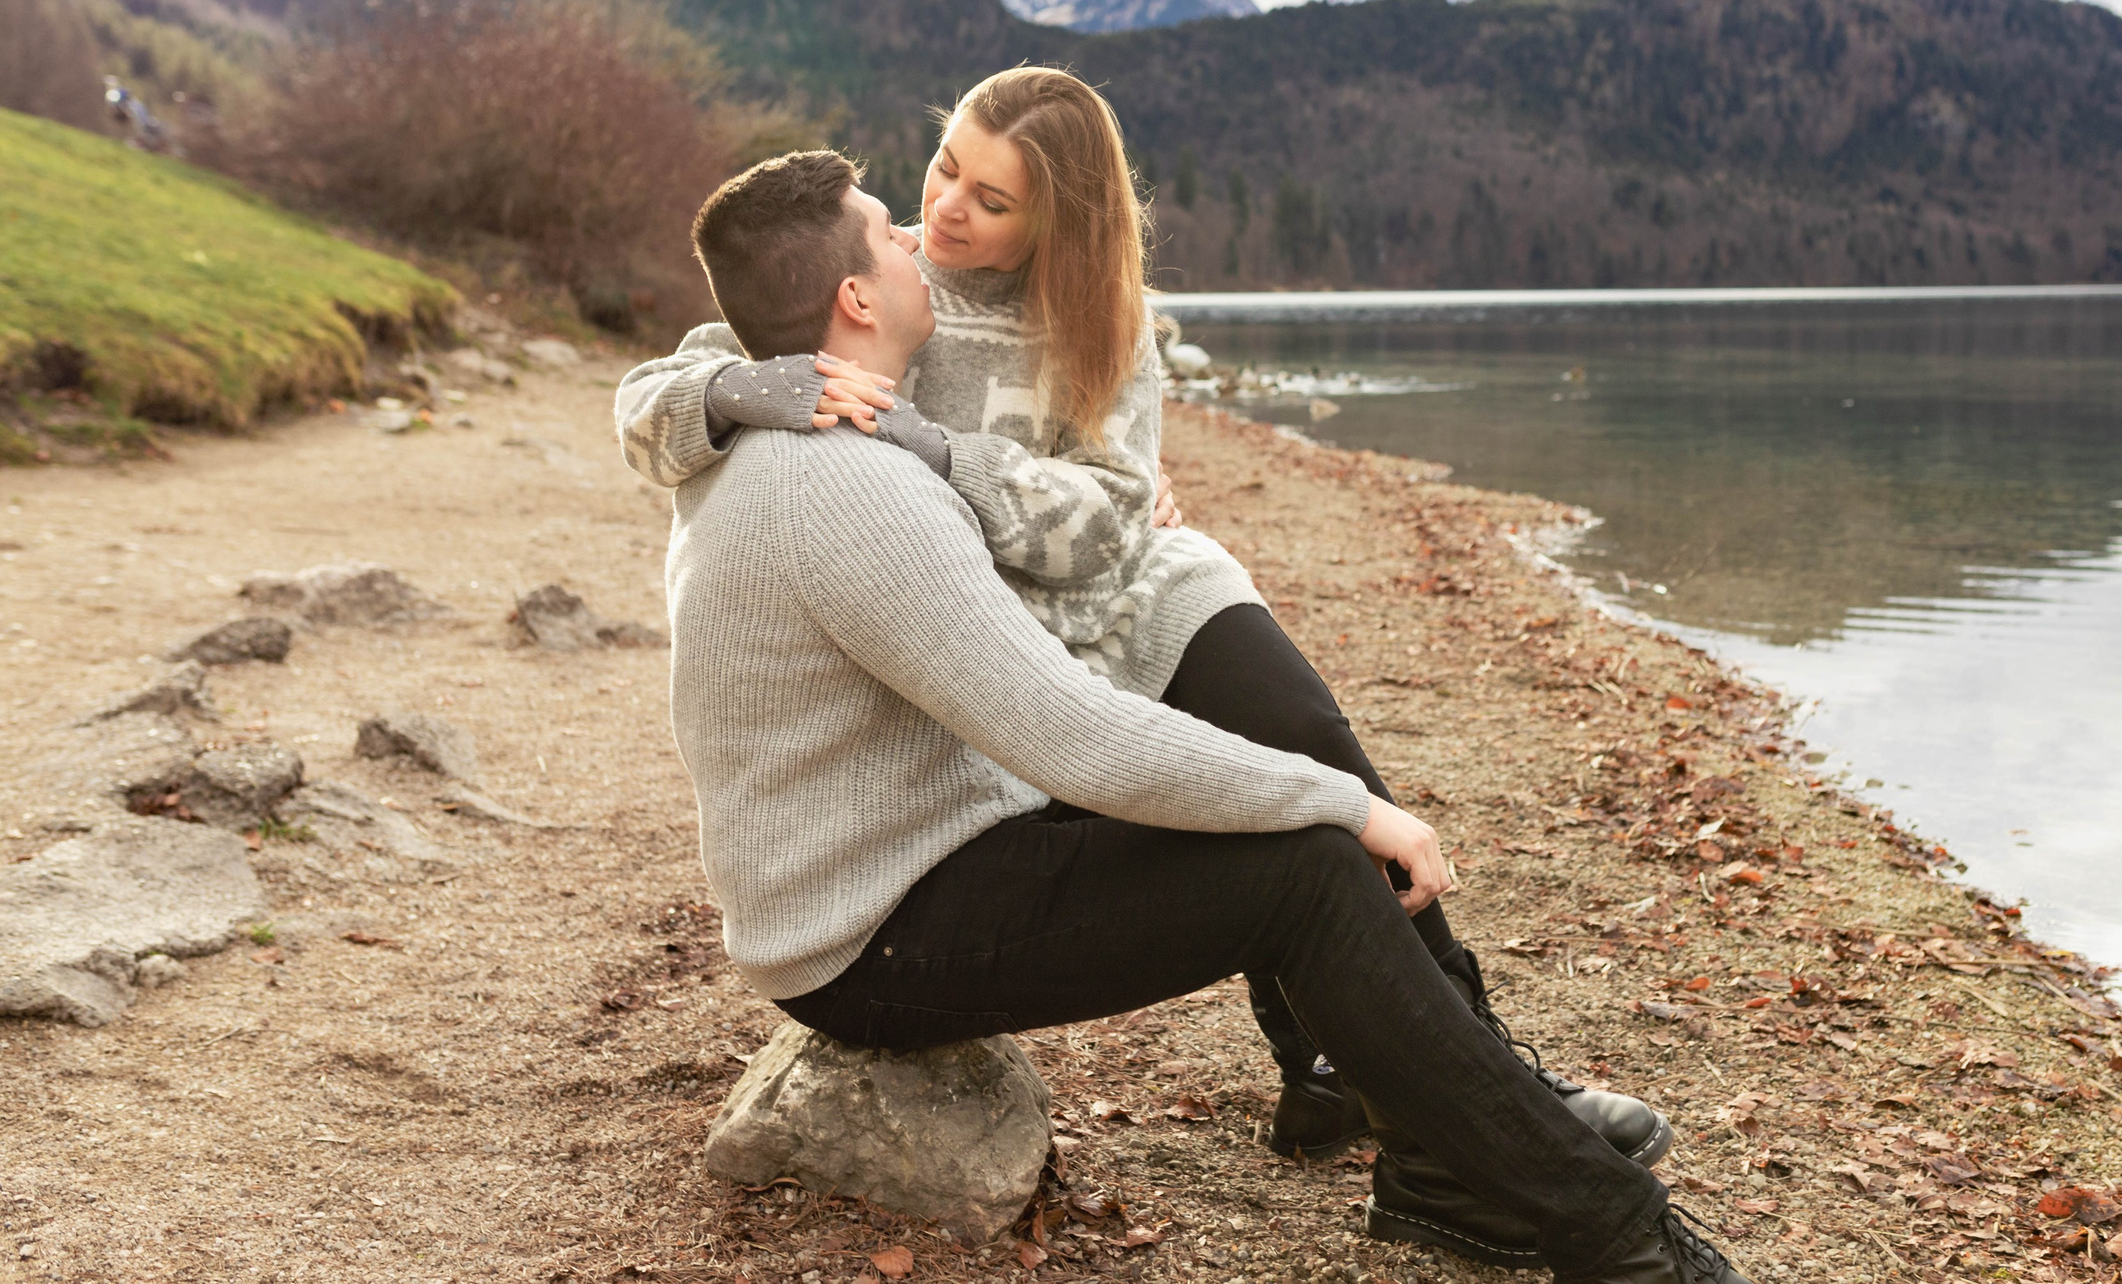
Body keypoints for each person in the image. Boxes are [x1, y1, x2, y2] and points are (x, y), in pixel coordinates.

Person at [645, 148, 1751, 1282]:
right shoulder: (846, 488)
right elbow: (1072, 737)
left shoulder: (796, 435)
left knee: (1300, 852)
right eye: (887, 232)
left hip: (900, 873)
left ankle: (1435, 1165)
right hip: (871, 936)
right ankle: (1622, 1242)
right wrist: (1352, 805)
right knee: (1311, 870)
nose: (915, 240)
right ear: (855, 299)